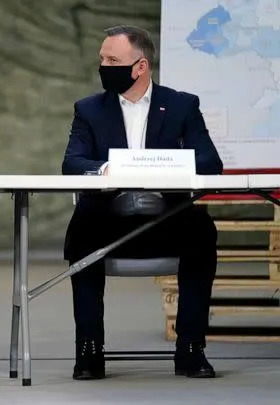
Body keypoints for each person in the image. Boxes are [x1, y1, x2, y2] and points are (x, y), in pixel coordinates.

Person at [62, 25, 223, 380]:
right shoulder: (88, 110)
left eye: (112, 60)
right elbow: (72, 162)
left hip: (168, 216)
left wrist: (164, 167)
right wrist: (111, 169)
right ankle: (89, 351)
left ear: (140, 67)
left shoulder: (182, 105)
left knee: (202, 229)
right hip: (108, 218)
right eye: (102, 58)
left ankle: (191, 349)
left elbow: (211, 163)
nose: (103, 65)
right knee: (81, 226)